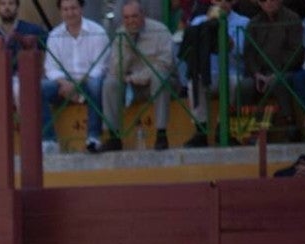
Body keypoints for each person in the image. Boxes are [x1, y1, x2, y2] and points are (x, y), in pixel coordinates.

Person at [0, 0, 45, 156]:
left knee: (19, 90)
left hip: (22, 78)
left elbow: (49, 52)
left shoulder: (32, 30)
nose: (7, 7)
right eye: (3, 4)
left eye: (11, 3)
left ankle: (28, 138)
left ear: (17, 7)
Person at [99, 0, 173, 151]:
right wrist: (127, 45)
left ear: (143, 15)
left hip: (156, 82)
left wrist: (139, 76)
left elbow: (165, 63)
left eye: (134, 16)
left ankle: (161, 134)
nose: (131, 21)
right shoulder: (121, 34)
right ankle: (113, 136)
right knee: (110, 83)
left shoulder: (160, 30)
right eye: (126, 17)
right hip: (131, 86)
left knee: (160, 78)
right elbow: (115, 69)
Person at [41, 0, 110, 152]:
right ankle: (49, 141)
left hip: (88, 81)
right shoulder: (54, 35)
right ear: (60, 11)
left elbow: (101, 67)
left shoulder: (97, 31)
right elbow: (51, 68)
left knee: (96, 85)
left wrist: (76, 85)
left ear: (81, 9)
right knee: (40, 88)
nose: (69, 13)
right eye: (65, 9)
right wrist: (65, 84)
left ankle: (93, 137)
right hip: (63, 84)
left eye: (73, 8)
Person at [179, 0, 247, 147]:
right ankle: (200, 130)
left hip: (232, 72)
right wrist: (207, 26)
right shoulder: (199, 21)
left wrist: (221, 32)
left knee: (234, 83)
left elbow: (240, 51)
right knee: (194, 82)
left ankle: (223, 128)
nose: (222, 2)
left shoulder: (244, 22)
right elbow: (189, 50)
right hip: (209, 73)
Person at [240, 0, 303, 141]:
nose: (268, 3)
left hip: (286, 70)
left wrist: (278, 71)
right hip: (261, 72)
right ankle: (251, 128)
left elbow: (296, 51)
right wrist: (256, 73)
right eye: (263, 0)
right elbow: (249, 53)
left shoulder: (292, 19)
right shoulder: (254, 22)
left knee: (278, 82)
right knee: (245, 86)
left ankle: (290, 125)